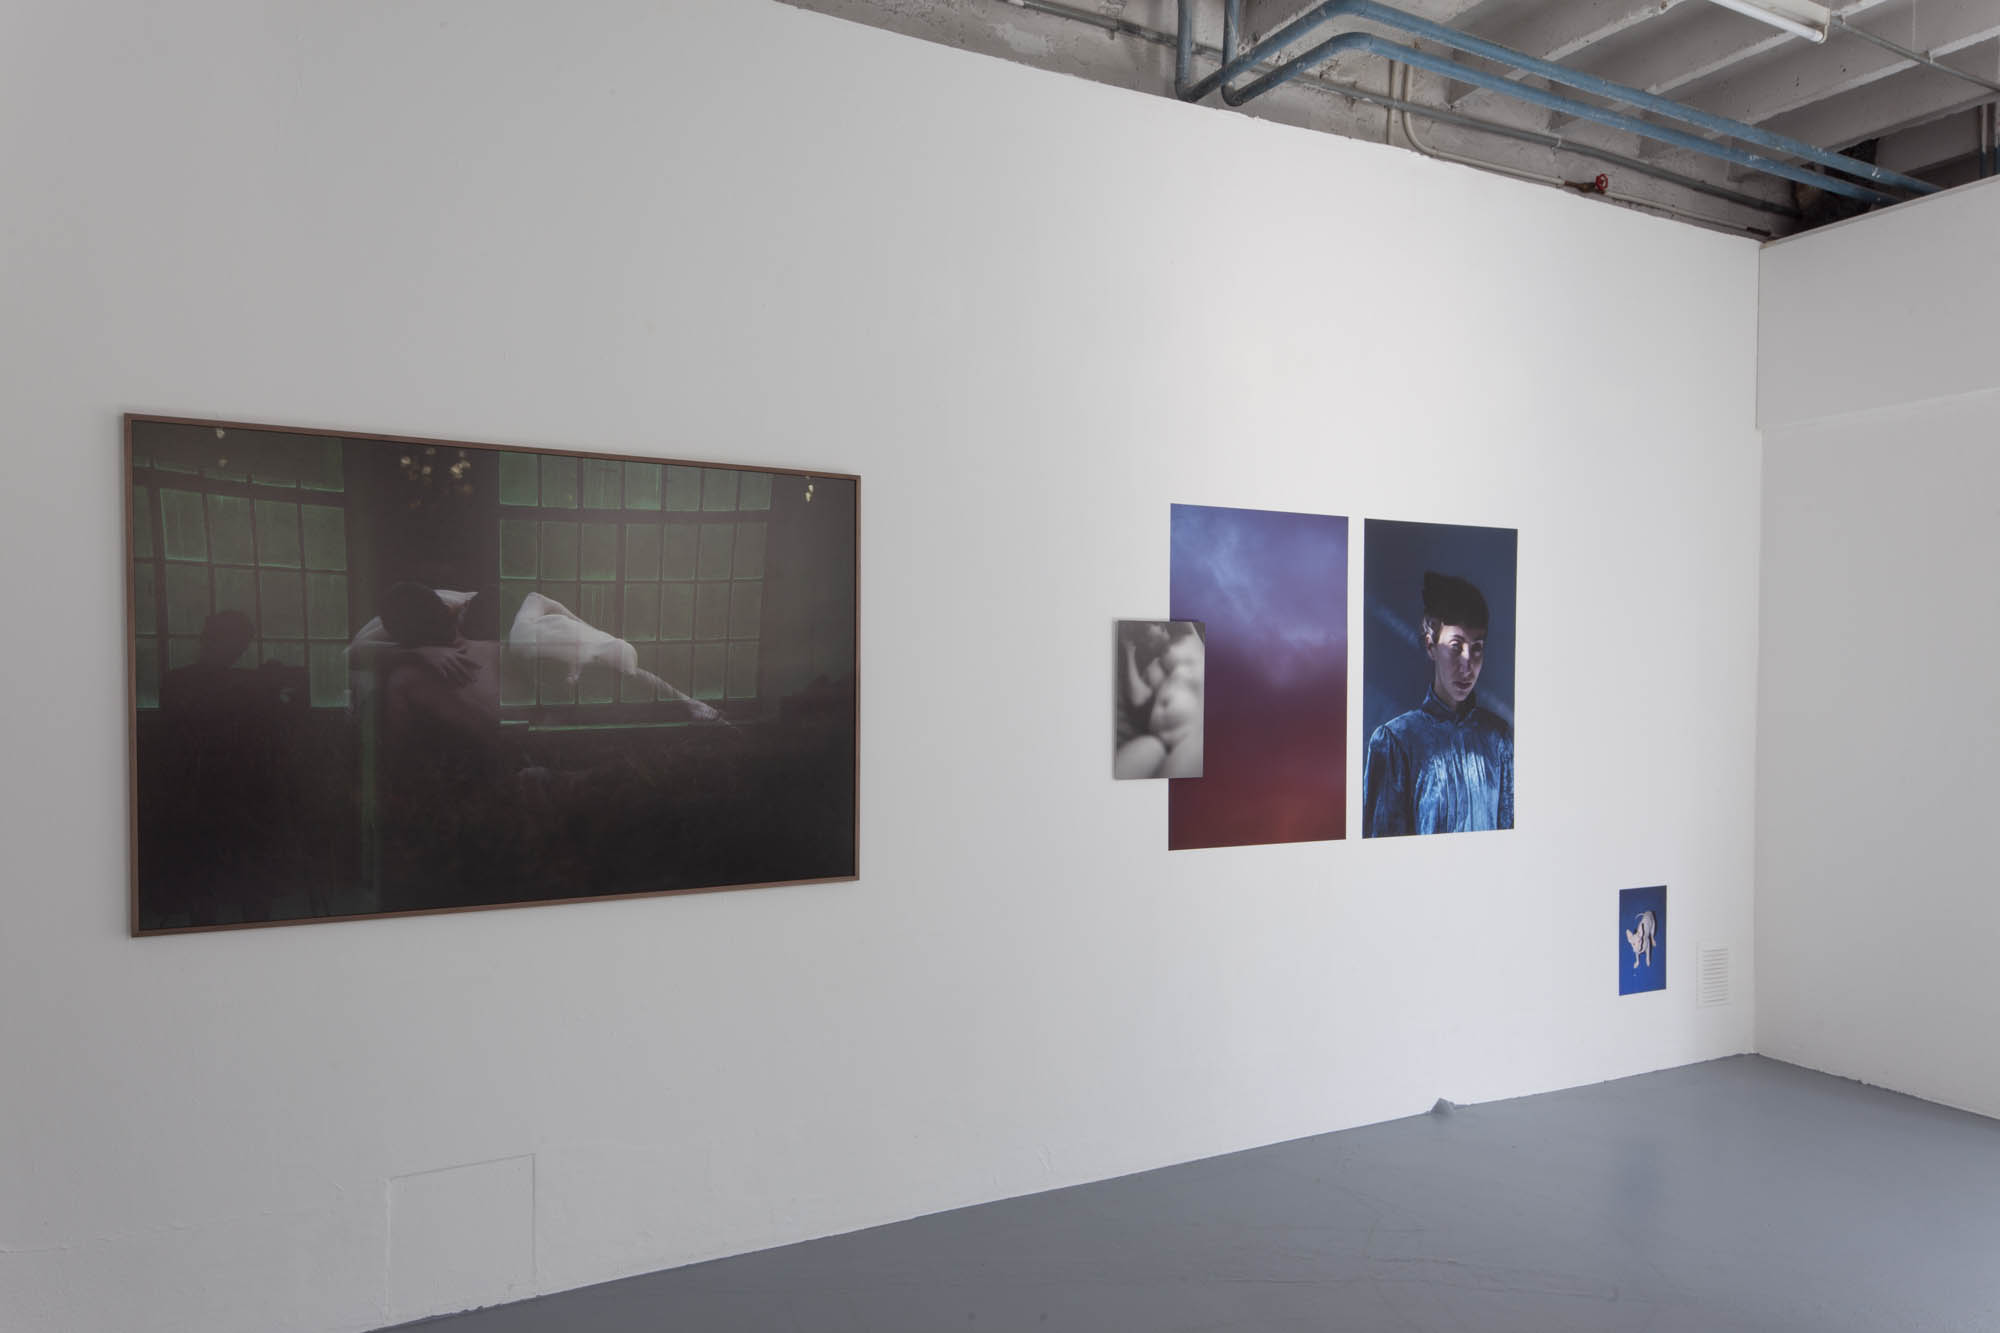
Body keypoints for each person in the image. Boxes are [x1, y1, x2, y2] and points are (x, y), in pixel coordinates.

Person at [1362, 571, 1512, 836]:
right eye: (1456, 646)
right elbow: (1381, 849)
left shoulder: (1497, 740)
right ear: (1431, 646)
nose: (1467, 665)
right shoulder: (1396, 742)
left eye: (1477, 648)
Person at [1115, 622, 1204, 779]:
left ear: (1162, 626)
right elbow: (1138, 699)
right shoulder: (1153, 667)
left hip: (1193, 732)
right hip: (1158, 739)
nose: (1144, 637)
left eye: (1148, 629)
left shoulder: (1188, 638)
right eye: (1141, 637)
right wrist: (1129, 651)